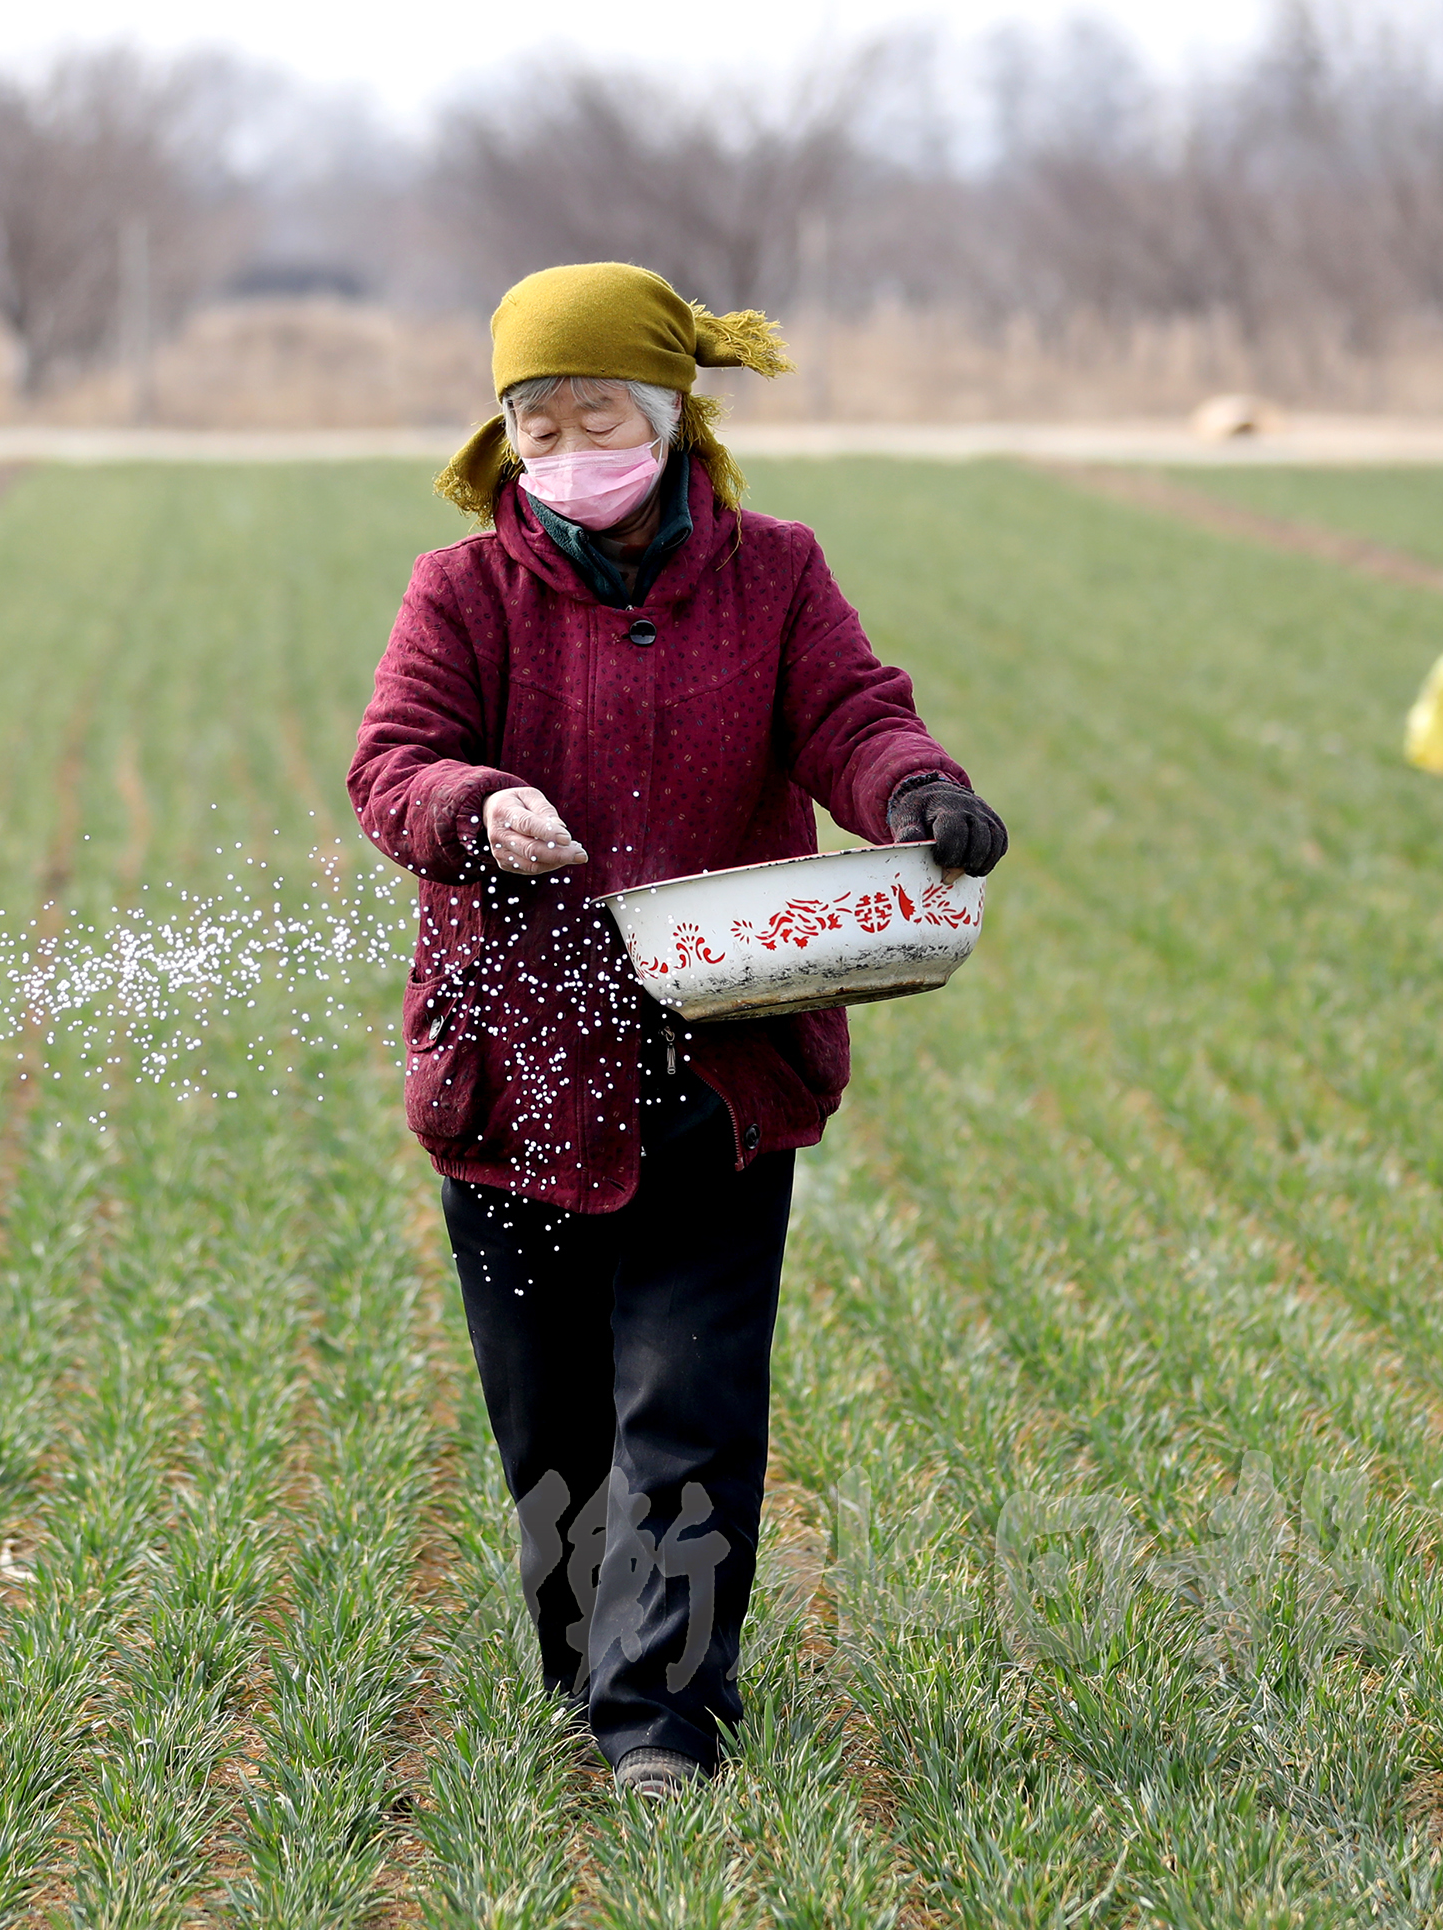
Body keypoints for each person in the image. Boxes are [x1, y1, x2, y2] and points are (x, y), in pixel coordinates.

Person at [347, 262, 1004, 1803]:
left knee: (690, 1410)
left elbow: (851, 715)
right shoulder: (463, 594)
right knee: (554, 1423)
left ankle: (664, 1718)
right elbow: (394, 766)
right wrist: (473, 808)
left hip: (722, 1068)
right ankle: (587, 1665)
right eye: (540, 422)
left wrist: (916, 791)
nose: (572, 448)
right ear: (506, 433)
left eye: (601, 417)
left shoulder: (775, 575)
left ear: (670, 417)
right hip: (518, 1075)